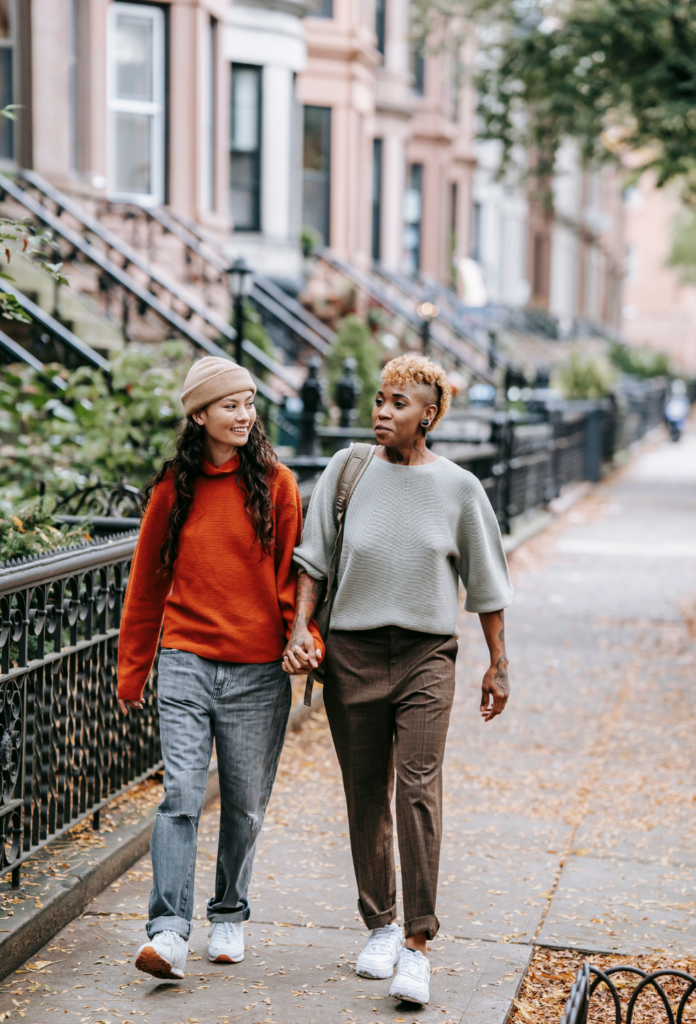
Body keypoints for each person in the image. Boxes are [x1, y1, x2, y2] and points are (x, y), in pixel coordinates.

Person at [283, 354, 513, 1007]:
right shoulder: (347, 470)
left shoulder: (458, 488)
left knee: (416, 791)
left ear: (428, 415)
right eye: (380, 399)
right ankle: (380, 923)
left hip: (425, 656)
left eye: (398, 403)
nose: (382, 411)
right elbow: (313, 562)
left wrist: (498, 663)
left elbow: (487, 586)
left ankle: (416, 944)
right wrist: (300, 631)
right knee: (365, 793)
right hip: (351, 654)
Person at [117, 356, 323, 980]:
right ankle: (169, 932)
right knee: (180, 795)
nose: (244, 415)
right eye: (230, 405)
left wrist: (304, 636)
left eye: (249, 403)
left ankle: (229, 912)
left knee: (245, 805)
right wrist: (133, 668)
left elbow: (293, 576)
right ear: (200, 415)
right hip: (185, 661)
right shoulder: (171, 490)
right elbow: (146, 584)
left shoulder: (277, 485)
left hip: (258, 671)